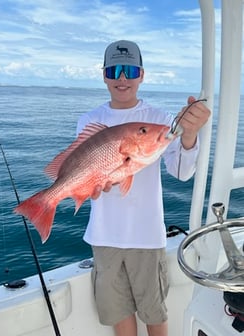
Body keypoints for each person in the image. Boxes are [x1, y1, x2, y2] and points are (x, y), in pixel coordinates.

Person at [76, 40, 210, 336]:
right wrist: (88, 188)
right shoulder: (90, 120)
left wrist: (188, 136)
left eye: (129, 70)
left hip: (147, 237)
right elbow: (89, 175)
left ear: (141, 75)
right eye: (114, 70)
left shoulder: (159, 119)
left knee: (154, 312)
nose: (122, 78)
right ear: (104, 75)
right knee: (119, 313)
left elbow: (181, 171)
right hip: (104, 237)